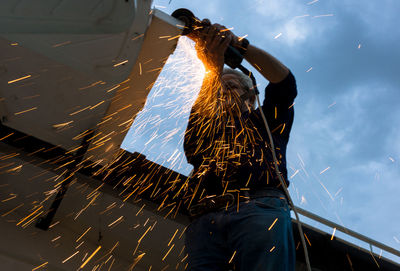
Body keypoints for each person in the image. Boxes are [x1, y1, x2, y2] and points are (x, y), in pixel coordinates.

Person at [183, 19, 297, 271]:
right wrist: (212, 69)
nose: (223, 91)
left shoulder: (267, 122)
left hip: (258, 206)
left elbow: (285, 83)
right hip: (205, 218)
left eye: (231, 86)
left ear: (251, 97)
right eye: (219, 86)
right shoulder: (206, 123)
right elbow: (193, 149)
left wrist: (239, 45)